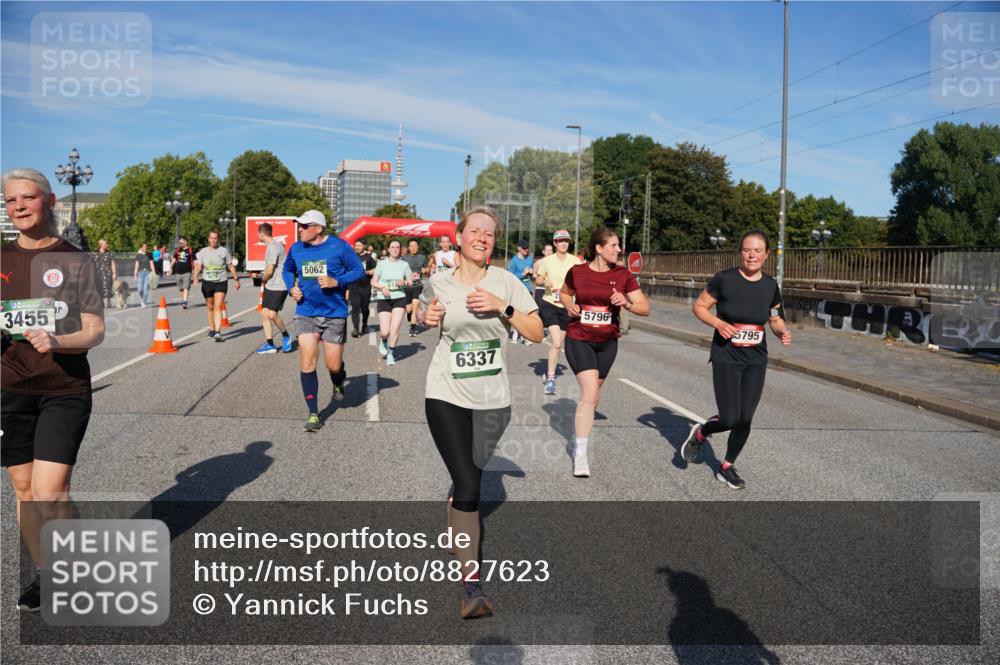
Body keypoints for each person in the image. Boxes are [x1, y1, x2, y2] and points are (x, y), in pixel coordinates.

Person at [418, 206, 542, 618]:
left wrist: (503, 308)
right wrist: (425, 315)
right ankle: (471, 588)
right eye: (475, 230)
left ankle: (455, 507)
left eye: (489, 233)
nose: (482, 238)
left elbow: (536, 333)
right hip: (445, 395)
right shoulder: (439, 281)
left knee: (464, 482)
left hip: (493, 402)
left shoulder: (506, 282)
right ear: (459, 237)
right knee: (471, 487)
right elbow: (421, 313)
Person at [2, 168, 105, 612]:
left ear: (49, 201)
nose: (19, 206)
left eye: (28, 197)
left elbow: (95, 329)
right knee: (25, 491)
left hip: (63, 388)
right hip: (10, 389)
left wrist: (57, 340)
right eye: (10, 200)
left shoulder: (74, 259)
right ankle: (47, 573)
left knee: (50, 492)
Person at [681, 229, 792, 490]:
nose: (751, 255)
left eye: (757, 251)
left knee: (745, 418)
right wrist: (718, 324)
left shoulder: (770, 286)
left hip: (756, 358)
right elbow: (699, 307)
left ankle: (726, 467)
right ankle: (701, 432)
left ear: (766, 255)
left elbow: (774, 318)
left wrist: (781, 332)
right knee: (730, 418)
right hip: (726, 355)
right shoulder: (725, 279)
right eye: (747, 250)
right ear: (740, 252)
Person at [560, 228, 650, 477]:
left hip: (608, 342)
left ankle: (580, 430)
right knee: (590, 394)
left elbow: (644, 308)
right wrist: (569, 305)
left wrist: (626, 302)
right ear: (599, 248)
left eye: (619, 245)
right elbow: (564, 293)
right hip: (579, 338)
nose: (619, 249)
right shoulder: (577, 272)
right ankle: (580, 453)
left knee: (593, 396)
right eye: (614, 245)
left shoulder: (623, 275)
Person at [281, 210, 364, 432]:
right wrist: (291, 288)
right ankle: (314, 414)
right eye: (299, 225)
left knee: (333, 365)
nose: (300, 229)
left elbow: (358, 270)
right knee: (307, 361)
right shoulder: (296, 249)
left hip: (334, 313)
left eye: (304, 226)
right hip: (306, 311)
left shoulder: (339, 246)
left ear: (318, 228)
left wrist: (337, 281)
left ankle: (338, 379)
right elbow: (287, 270)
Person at [534, 230, 583, 395]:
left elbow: (582, 281)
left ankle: (550, 373)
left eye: (566, 241)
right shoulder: (547, 261)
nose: (563, 244)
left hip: (567, 306)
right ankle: (550, 379)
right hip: (550, 304)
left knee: (559, 344)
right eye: (560, 241)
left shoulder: (575, 261)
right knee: (555, 342)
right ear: (555, 243)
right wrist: (545, 282)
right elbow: (538, 279)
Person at [192, 230, 240, 342]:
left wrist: (236, 279)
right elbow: (198, 266)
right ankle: (212, 329)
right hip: (207, 282)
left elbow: (230, 265)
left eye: (215, 238)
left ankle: (218, 332)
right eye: (212, 238)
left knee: (218, 306)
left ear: (218, 239)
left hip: (221, 281)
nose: (213, 240)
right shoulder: (203, 252)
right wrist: (195, 277)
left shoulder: (224, 251)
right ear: (208, 239)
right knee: (210, 306)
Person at [372, 239, 411, 366]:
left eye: (397, 247)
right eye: (392, 247)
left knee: (394, 329)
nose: (395, 249)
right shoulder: (381, 264)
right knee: (385, 331)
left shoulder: (404, 265)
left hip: (399, 298)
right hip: (384, 298)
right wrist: (382, 287)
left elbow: (410, 282)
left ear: (400, 249)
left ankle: (391, 353)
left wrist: (405, 282)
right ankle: (383, 340)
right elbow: (373, 281)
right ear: (388, 249)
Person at [255, 223, 293, 354]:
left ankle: (286, 335)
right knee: (264, 313)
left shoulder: (273, 247)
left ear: (261, 234)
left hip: (279, 285)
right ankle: (270, 344)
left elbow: (270, 270)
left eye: (258, 233)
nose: (258, 235)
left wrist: (263, 279)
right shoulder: (274, 245)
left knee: (271, 314)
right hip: (271, 285)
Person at [506, 238, 536, 345]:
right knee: (518, 313)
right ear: (519, 248)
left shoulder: (530, 259)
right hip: (517, 290)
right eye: (524, 248)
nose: (526, 250)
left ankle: (525, 337)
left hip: (528, 289)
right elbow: (510, 277)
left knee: (527, 312)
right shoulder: (513, 261)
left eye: (527, 248)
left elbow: (533, 276)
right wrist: (523, 273)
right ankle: (517, 334)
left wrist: (532, 273)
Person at [348, 240, 377, 338]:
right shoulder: (351, 256)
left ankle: (364, 324)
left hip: (365, 286)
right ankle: (356, 329)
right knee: (355, 307)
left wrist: (369, 272)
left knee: (364, 308)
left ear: (364, 246)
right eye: (356, 245)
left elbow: (376, 269)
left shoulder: (369, 258)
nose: (357, 247)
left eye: (359, 245)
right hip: (353, 285)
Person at [402, 239, 428, 337]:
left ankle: (412, 329)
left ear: (418, 247)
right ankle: (408, 314)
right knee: (409, 309)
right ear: (409, 247)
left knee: (415, 306)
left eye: (415, 245)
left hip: (418, 285)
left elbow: (427, 268)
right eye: (411, 246)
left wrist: (425, 270)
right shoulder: (404, 258)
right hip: (407, 286)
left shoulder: (422, 258)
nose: (413, 247)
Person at [170, 237, 195, 309]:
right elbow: (174, 259)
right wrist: (170, 267)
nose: (180, 244)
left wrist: (194, 272)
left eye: (181, 243)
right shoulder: (178, 250)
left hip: (187, 272)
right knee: (181, 288)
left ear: (185, 242)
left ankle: (185, 302)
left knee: (185, 287)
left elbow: (194, 261)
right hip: (178, 272)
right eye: (179, 243)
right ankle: (183, 301)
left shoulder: (190, 250)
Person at [93, 239, 116, 308]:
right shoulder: (95, 254)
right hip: (98, 273)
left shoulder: (109, 253)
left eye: (107, 244)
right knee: (99, 288)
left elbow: (113, 264)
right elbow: (92, 263)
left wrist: (114, 273)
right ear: (101, 245)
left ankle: (108, 303)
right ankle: (101, 303)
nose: (107, 245)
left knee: (108, 287)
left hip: (107, 273)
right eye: (105, 244)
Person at [133, 243, 155, 308]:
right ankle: (143, 298)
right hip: (140, 273)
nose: (145, 247)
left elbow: (151, 264)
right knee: (139, 289)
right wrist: (135, 274)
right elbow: (136, 265)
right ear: (141, 248)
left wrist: (154, 273)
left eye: (146, 246)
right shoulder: (138, 255)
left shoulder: (150, 254)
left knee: (145, 289)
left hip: (148, 273)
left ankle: (143, 302)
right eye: (144, 246)